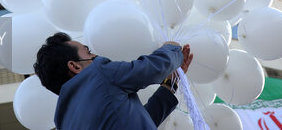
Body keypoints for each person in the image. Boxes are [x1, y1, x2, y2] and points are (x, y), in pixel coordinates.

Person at [33, 32, 193, 129]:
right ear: (75, 66)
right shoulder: (98, 73)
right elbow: (151, 69)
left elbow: (135, 122)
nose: (95, 55)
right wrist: (171, 49)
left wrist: (169, 84)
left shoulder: (63, 122)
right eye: (87, 51)